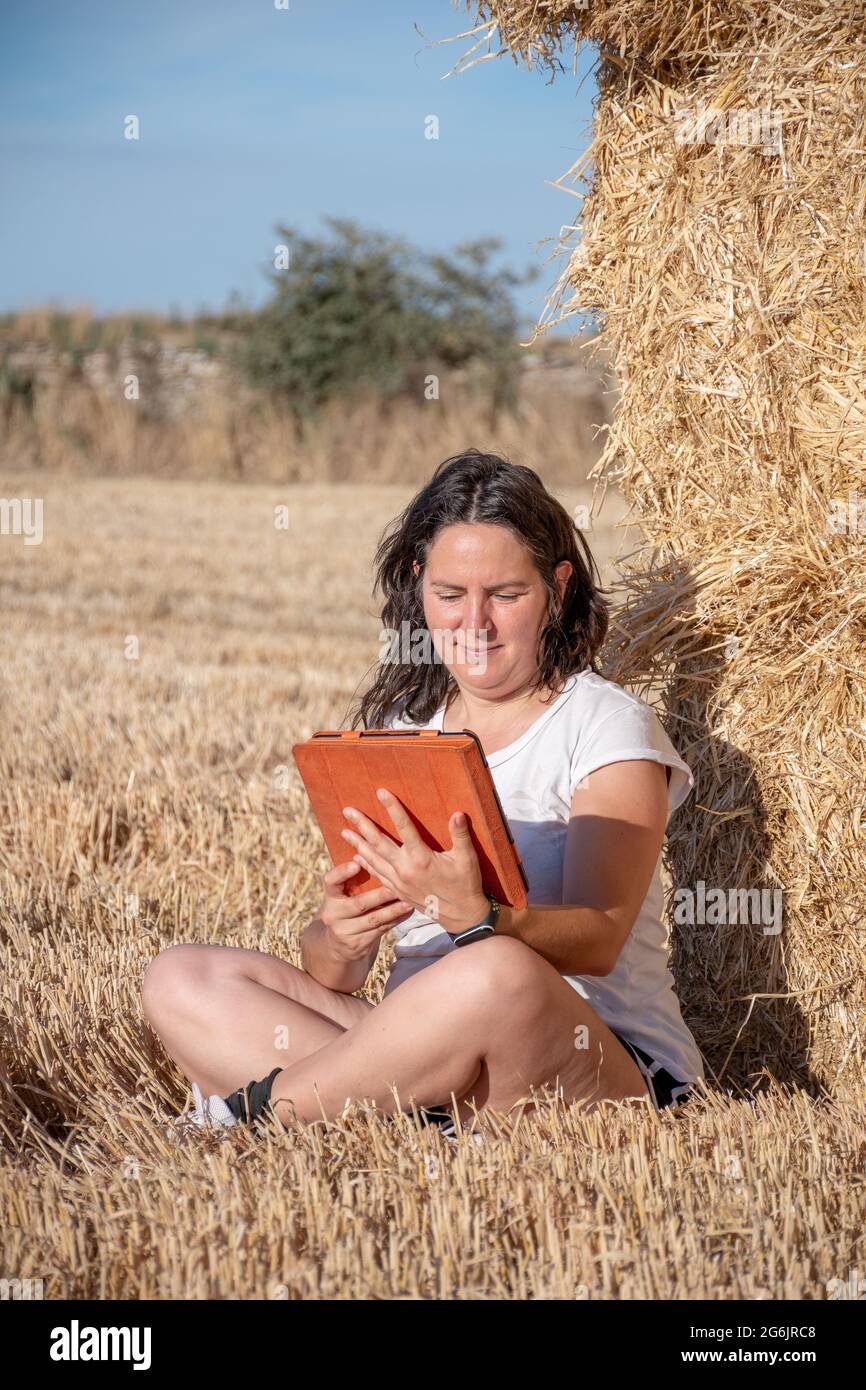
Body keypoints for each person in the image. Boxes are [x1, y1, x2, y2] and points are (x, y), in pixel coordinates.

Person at [142, 448, 705, 1136]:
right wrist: (339, 937)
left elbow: (599, 939)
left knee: (495, 969)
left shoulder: (607, 725)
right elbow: (335, 979)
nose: (475, 624)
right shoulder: (400, 735)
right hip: (415, 1056)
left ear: (557, 588)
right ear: (418, 586)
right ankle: (395, 1115)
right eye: (449, 595)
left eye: (505, 594)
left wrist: (483, 918)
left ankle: (254, 1116)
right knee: (181, 978)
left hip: (588, 1063)